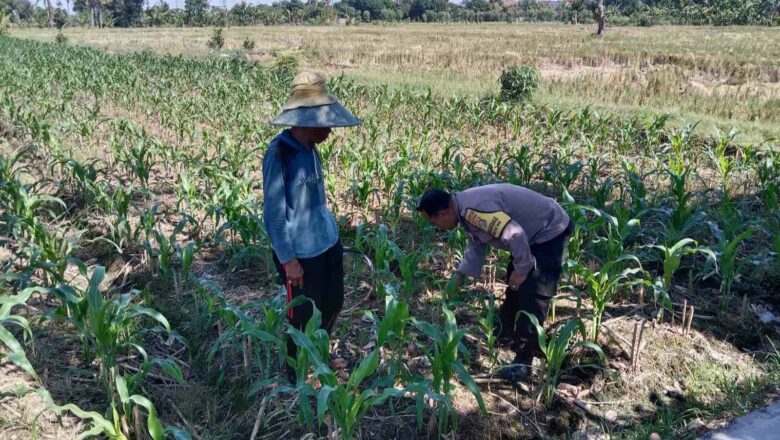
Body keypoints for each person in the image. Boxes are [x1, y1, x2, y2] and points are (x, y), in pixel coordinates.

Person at [416, 183, 573, 381]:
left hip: (550, 229)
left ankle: (524, 360)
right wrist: (460, 274)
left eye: (433, 222)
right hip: (532, 234)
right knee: (515, 284)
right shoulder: (463, 209)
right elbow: (478, 241)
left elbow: (515, 234)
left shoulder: (474, 211)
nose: (436, 228)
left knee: (533, 290)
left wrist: (523, 269)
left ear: (443, 213)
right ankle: (505, 333)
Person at [262, 71, 360, 382]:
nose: (331, 128)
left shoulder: (311, 149)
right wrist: (289, 260)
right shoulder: (280, 154)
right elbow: (274, 215)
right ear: (308, 119)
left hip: (327, 243)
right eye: (326, 121)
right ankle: (295, 374)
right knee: (302, 313)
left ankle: (318, 353)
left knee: (334, 301)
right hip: (301, 254)